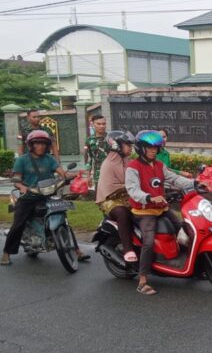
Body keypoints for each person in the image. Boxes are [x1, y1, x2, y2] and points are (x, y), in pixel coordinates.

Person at [125, 130, 194, 295]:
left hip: (161, 208)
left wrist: (196, 183)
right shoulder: (132, 167)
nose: (153, 150)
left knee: (184, 228)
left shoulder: (158, 165)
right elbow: (132, 189)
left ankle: (187, 264)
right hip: (143, 211)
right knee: (148, 242)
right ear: (141, 148)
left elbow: (174, 178)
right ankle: (142, 280)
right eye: (149, 147)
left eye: (156, 147)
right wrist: (149, 197)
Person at [0, 130, 80, 265]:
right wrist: (22, 187)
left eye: (43, 143)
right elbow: (17, 180)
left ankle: (76, 251)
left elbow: (62, 173)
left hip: (48, 195)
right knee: (18, 224)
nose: (41, 146)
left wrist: (69, 176)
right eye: (37, 143)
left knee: (64, 220)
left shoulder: (50, 159)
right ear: (31, 145)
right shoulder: (22, 160)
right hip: (29, 197)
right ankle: (6, 253)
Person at [96, 130, 137, 264]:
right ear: (117, 145)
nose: (130, 148)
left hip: (126, 198)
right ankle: (128, 249)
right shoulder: (109, 163)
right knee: (122, 213)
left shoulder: (126, 161)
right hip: (110, 200)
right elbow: (111, 187)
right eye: (127, 145)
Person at [83, 114, 110, 189]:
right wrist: (88, 176)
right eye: (98, 124)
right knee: (99, 198)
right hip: (98, 174)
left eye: (103, 124)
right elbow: (88, 159)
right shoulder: (89, 140)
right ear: (93, 124)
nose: (102, 126)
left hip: (112, 173)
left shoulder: (111, 139)